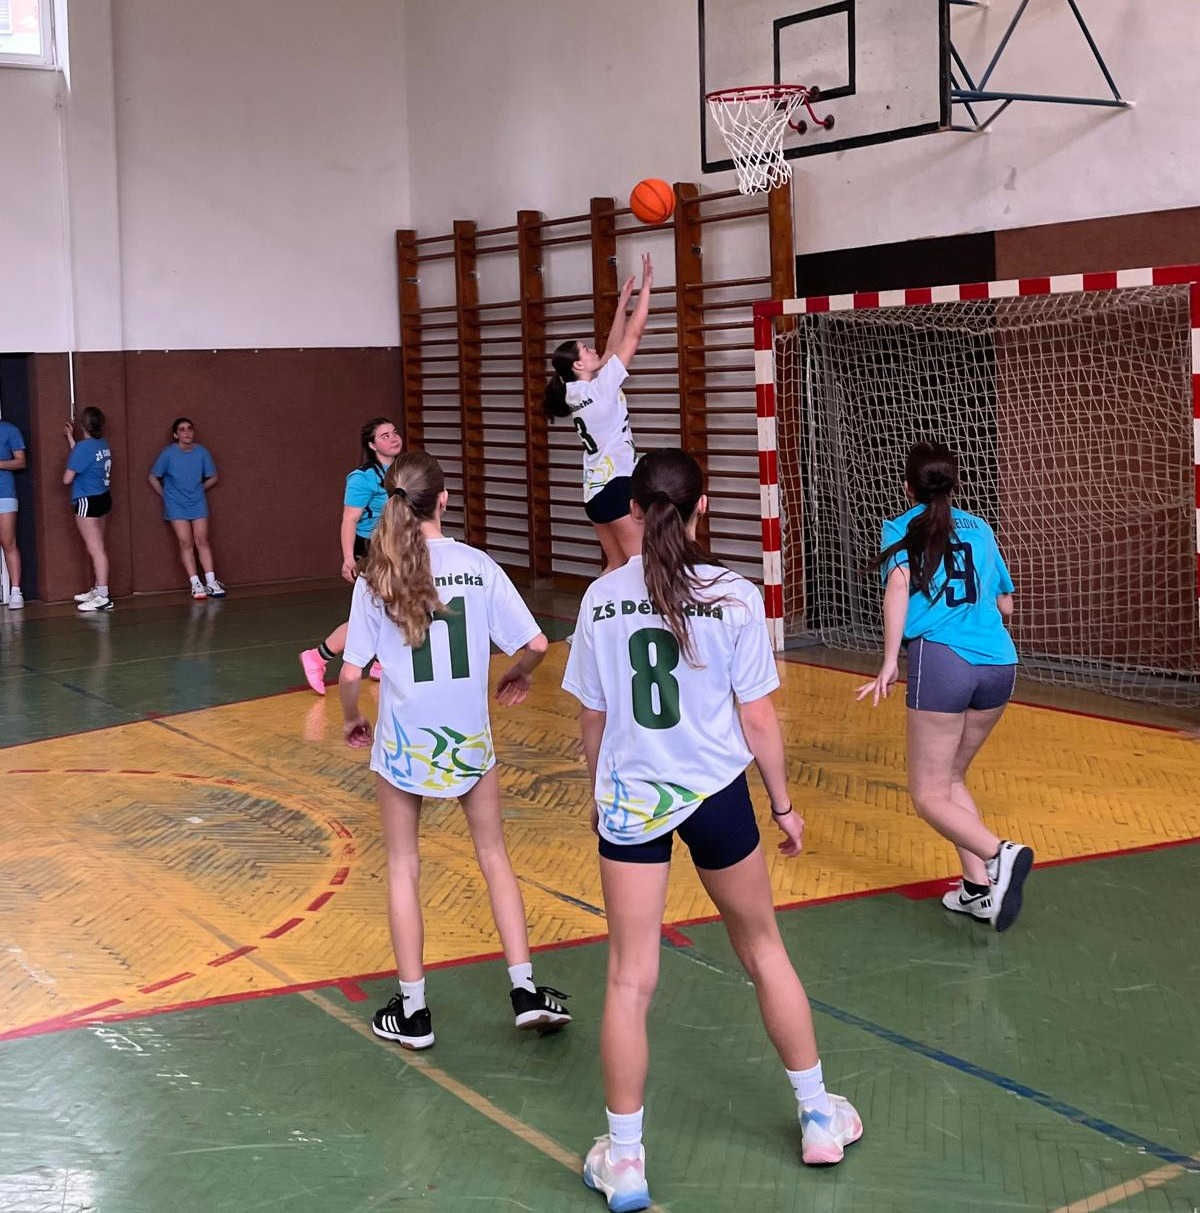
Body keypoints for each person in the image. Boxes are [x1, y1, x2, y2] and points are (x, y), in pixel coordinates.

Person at [563, 448, 862, 1212]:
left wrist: (599, 793)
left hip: (632, 800)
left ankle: (625, 1160)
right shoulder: (735, 595)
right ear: (704, 507)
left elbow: (594, 717)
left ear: (632, 510)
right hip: (717, 795)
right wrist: (784, 804)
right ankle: (818, 1116)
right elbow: (756, 717)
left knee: (629, 977)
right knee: (763, 948)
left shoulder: (600, 598)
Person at [339, 449, 572, 1048]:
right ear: (443, 500)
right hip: (468, 741)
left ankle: (414, 1011)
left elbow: (350, 672)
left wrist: (352, 718)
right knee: (494, 856)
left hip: (404, 744)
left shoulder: (379, 575)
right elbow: (537, 644)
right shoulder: (476, 564)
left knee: (403, 865)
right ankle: (524, 990)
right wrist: (519, 673)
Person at [856, 441, 1034, 932]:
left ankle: (1000, 853)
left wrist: (889, 661)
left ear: (907, 487)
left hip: (943, 663)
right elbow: (1006, 604)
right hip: (1000, 664)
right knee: (952, 776)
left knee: (927, 794)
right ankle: (977, 889)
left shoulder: (901, 528)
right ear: (954, 483)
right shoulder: (981, 528)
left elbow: (897, 588)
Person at [543, 254, 653, 574]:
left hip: (594, 493)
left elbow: (610, 351)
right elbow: (632, 337)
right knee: (639, 566)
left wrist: (621, 306)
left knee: (615, 566)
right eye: (586, 349)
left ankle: (588, 610)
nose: (594, 350)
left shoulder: (573, 391)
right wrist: (647, 287)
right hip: (618, 485)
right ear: (578, 364)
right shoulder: (601, 388)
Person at [299, 417, 403, 694]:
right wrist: (348, 558)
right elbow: (349, 519)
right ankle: (318, 657)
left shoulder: (404, 470)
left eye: (394, 433)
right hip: (371, 550)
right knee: (372, 614)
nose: (393, 438)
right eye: (384, 436)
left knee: (391, 610)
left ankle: (380, 662)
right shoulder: (363, 478)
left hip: (397, 548)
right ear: (372, 445)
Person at [148, 417, 225, 599]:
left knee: (202, 540)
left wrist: (199, 489)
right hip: (176, 505)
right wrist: (166, 496)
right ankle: (195, 584)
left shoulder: (202, 452)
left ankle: (211, 582)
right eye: (182, 429)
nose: (186, 432)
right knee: (186, 542)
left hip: (197, 502)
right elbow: (153, 476)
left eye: (189, 428)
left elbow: (213, 477)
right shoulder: (168, 454)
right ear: (176, 435)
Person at [64, 408, 114, 613]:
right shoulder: (103, 444)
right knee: (98, 547)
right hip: (103, 498)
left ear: (83, 425)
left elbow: (67, 479)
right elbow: (84, 456)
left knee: (96, 549)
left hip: (87, 500)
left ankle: (102, 596)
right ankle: (98, 589)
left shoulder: (83, 449)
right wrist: (71, 439)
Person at [0, 416, 26, 609]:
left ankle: (16, 592)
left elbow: (20, 462)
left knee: (8, 542)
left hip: (5, 493)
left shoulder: (9, 429)